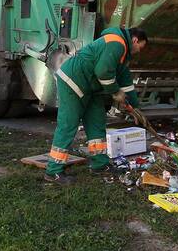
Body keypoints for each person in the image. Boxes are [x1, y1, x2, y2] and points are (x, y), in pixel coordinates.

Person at [44, 26, 147, 184]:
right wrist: (115, 91)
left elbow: (126, 84)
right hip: (73, 82)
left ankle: (100, 164)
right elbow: (103, 72)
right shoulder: (116, 43)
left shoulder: (123, 55)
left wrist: (135, 108)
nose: (141, 51)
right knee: (68, 125)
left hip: (91, 89)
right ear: (135, 40)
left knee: (97, 124)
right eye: (141, 46)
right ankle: (53, 172)